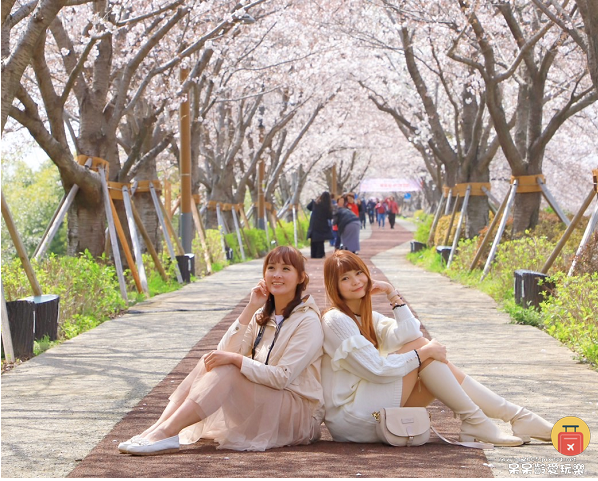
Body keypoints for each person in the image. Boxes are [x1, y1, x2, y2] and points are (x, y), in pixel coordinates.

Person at [320, 251, 554, 447]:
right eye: (345, 278)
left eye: (359, 272)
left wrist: (392, 294)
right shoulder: (336, 320)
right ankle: (495, 419)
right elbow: (377, 370)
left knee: (426, 358)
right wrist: (424, 352)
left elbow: (411, 334)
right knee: (423, 352)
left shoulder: (368, 317)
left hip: (370, 407)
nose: (356, 281)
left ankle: (511, 417)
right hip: (352, 418)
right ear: (335, 286)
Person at [118, 246, 324, 455]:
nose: (277, 275)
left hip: (298, 417)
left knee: (231, 367)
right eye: (271, 268)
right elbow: (224, 351)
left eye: (286, 269)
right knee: (209, 361)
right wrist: (251, 307)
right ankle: (156, 429)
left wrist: (236, 360)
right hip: (265, 404)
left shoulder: (308, 322)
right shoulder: (262, 315)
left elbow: (282, 378)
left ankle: (166, 433)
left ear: (301, 278)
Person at [306, 192, 333, 258]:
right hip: (322, 225)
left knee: (314, 240)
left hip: (314, 224)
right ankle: (319, 254)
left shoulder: (315, 203)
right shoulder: (327, 206)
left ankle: (313, 254)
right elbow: (330, 216)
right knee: (320, 241)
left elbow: (308, 207)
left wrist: (314, 200)